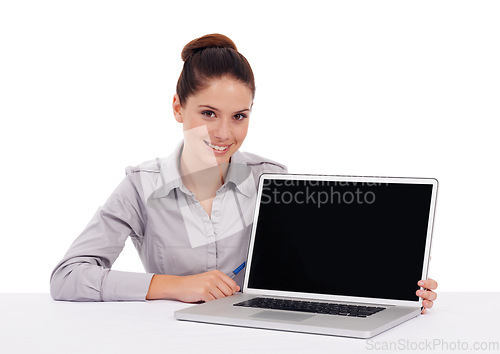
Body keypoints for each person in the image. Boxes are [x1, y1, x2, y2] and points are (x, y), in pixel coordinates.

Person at [50, 33, 438, 312]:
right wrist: (174, 286)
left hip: (257, 333)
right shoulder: (142, 185)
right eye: (208, 114)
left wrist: (393, 292)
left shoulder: (269, 179)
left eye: (239, 116)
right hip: (170, 338)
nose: (223, 133)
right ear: (177, 108)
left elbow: (310, 270)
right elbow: (68, 276)